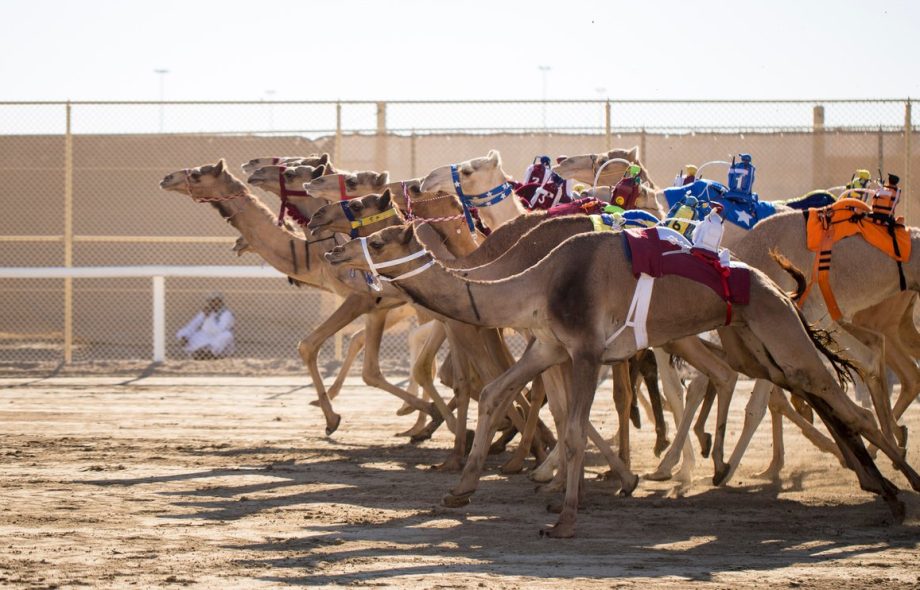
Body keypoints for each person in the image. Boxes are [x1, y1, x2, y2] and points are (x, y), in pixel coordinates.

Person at [176, 292, 235, 359]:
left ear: (220, 302)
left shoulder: (227, 313)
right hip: (205, 337)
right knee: (184, 333)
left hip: (217, 340)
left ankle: (210, 353)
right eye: (210, 301)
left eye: (215, 301)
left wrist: (209, 317)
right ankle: (201, 353)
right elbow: (193, 325)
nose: (212, 304)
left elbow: (219, 331)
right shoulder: (206, 312)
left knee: (227, 335)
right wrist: (184, 336)